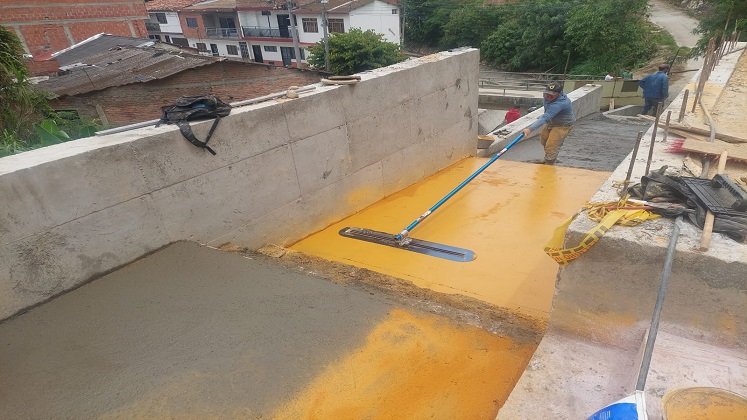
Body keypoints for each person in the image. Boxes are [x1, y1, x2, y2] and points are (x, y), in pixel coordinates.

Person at [522, 82, 576, 165]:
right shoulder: (547, 98)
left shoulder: (561, 103)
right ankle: (549, 157)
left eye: (551, 95)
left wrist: (530, 129)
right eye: (546, 94)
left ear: (559, 94)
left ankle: (549, 163)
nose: (548, 97)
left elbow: (546, 117)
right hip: (552, 122)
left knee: (551, 144)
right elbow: (547, 112)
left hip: (563, 125)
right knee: (544, 140)